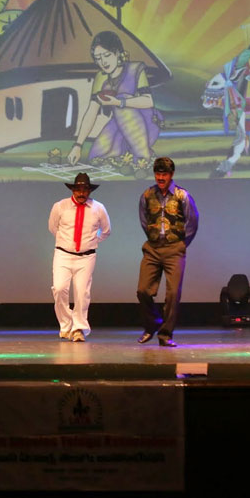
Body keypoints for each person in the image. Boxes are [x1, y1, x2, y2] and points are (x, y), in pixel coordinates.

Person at [67, 31, 162, 167]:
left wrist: (119, 102)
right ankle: (128, 154)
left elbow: (148, 101)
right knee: (97, 157)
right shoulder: (101, 77)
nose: (103, 62)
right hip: (119, 124)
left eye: (107, 55)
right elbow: (91, 111)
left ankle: (144, 156)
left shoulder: (135, 69)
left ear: (117, 53)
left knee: (122, 99)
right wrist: (78, 145)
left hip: (145, 122)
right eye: (98, 58)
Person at [136, 157, 199, 347]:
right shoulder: (147, 195)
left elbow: (192, 221)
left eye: (164, 174)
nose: (160, 178)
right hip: (153, 248)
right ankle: (153, 323)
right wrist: (154, 237)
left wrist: (181, 244)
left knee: (172, 293)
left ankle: (165, 334)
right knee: (143, 290)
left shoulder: (182, 195)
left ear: (171, 175)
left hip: (174, 249)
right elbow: (144, 220)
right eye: (158, 174)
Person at [48, 173, 111, 342]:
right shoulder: (60, 206)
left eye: (85, 189)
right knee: (59, 289)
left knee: (82, 293)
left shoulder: (98, 208)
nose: (81, 193)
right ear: (73, 190)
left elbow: (106, 231)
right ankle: (66, 325)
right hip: (63, 254)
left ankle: (78, 328)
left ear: (89, 191)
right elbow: (53, 228)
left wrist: (91, 241)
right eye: (78, 189)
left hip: (86, 257)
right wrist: (66, 242)